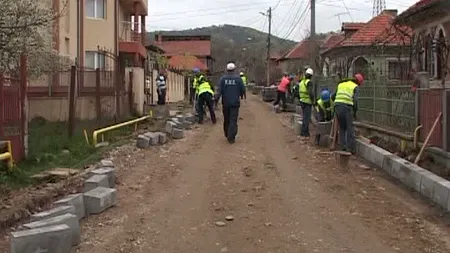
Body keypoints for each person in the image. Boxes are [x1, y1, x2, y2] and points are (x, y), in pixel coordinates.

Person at [332, 73, 364, 154]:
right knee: (349, 128)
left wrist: (337, 103)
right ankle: (350, 149)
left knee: (342, 128)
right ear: (358, 83)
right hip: (347, 108)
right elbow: (355, 101)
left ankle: (343, 147)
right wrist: (355, 111)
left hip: (337, 107)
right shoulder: (354, 87)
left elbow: (333, 96)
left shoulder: (341, 84)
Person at [215, 62, 245, 144]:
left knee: (226, 119)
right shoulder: (238, 79)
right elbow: (243, 89)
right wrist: (240, 95)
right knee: (233, 120)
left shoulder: (223, 79)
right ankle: (231, 137)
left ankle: (227, 133)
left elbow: (218, 91)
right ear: (234, 69)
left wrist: (216, 100)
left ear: (227, 70)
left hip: (226, 103)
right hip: (235, 103)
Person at [299, 68, 315, 141]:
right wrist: (313, 101)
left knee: (304, 117)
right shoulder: (309, 82)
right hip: (307, 102)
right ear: (311, 75)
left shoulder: (302, 82)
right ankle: (304, 134)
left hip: (302, 101)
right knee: (306, 118)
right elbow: (310, 93)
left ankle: (305, 133)